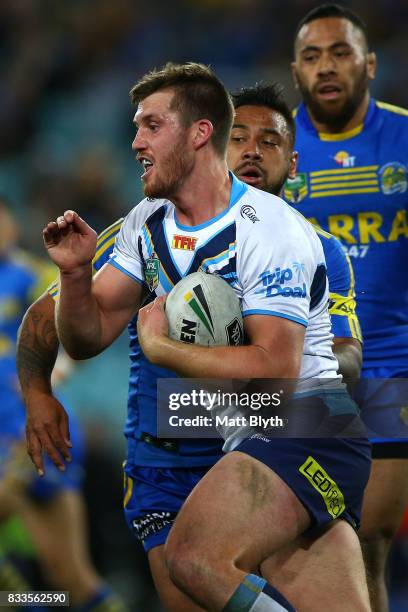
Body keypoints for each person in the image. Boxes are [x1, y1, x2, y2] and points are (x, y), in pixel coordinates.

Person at [19, 78, 363, 612]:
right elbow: (84, 337)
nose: (135, 141)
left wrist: (168, 351)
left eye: (151, 126)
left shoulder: (274, 231)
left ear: (201, 134)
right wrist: (77, 276)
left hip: (303, 421)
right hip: (214, 443)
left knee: (195, 559)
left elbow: (277, 371)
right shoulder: (143, 223)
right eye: (136, 127)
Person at [289, 4, 408, 610]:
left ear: (370, 63)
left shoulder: (405, 139)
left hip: (392, 368)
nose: (326, 67)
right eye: (312, 57)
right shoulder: (269, 150)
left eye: (340, 53)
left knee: (369, 541)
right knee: (295, 542)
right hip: (301, 367)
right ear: (295, 70)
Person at [0, 199, 125, 611]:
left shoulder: (31, 277)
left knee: (68, 576)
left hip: (30, 429)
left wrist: (48, 381)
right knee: (64, 578)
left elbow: (67, 344)